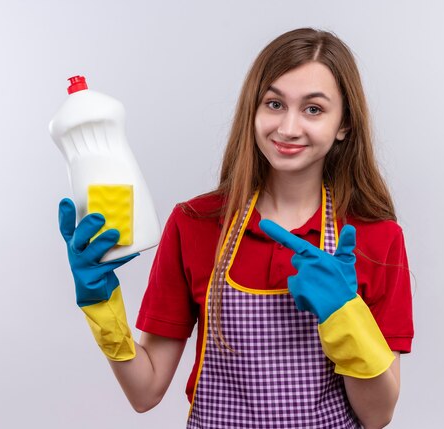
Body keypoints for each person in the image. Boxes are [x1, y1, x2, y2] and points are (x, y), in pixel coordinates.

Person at [58, 27, 413, 429]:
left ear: (344, 124)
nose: (289, 128)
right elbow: (145, 392)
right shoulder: (196, 224)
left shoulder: (376, 237)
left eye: (314, 109)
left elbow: (377, 414)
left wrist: (344, 315)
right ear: (253, 110)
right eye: (274, 103)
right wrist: (99, 302)